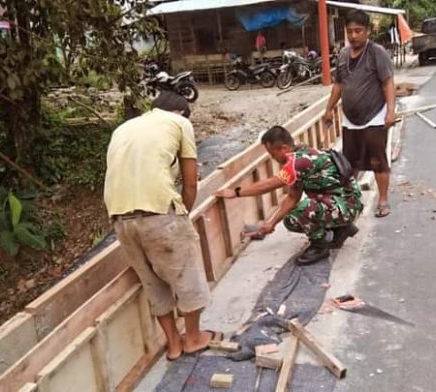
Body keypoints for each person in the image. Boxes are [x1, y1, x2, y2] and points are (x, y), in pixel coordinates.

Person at [103, 91, 221, 360]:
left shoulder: (124, 128)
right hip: (158, 211)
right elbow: (190, 183)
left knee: (152, 282)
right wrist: (183, 217)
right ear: (180, 112)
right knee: (187, 277)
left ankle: (174, 344)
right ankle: (192, 338)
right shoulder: (180, 123)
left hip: (119, 217)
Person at [215, 126, 363, 265]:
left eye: (273, 154)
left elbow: (269, 184)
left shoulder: (298, 162)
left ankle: (319, 247)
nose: (273, 158)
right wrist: (271, 224)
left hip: (347, 205)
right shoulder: (301, 153)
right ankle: (342, 228)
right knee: (291, 220)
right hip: (343, 203)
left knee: (303, 211)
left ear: (284, 148)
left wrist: (236, 193)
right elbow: (293, 197)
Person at [323, 9, 395, 218]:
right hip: (350, 120)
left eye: (358, 31)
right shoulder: (344, 55)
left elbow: (388, 82)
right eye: (350, 31)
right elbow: (338, 84)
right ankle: (351, 201)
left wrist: (390, 111)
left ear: (368, 31)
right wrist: (329, 109)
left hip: (374, 115)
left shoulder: (376, 53)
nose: (353, 36)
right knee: (350, 162)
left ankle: (382, 200)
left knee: (377, 160)